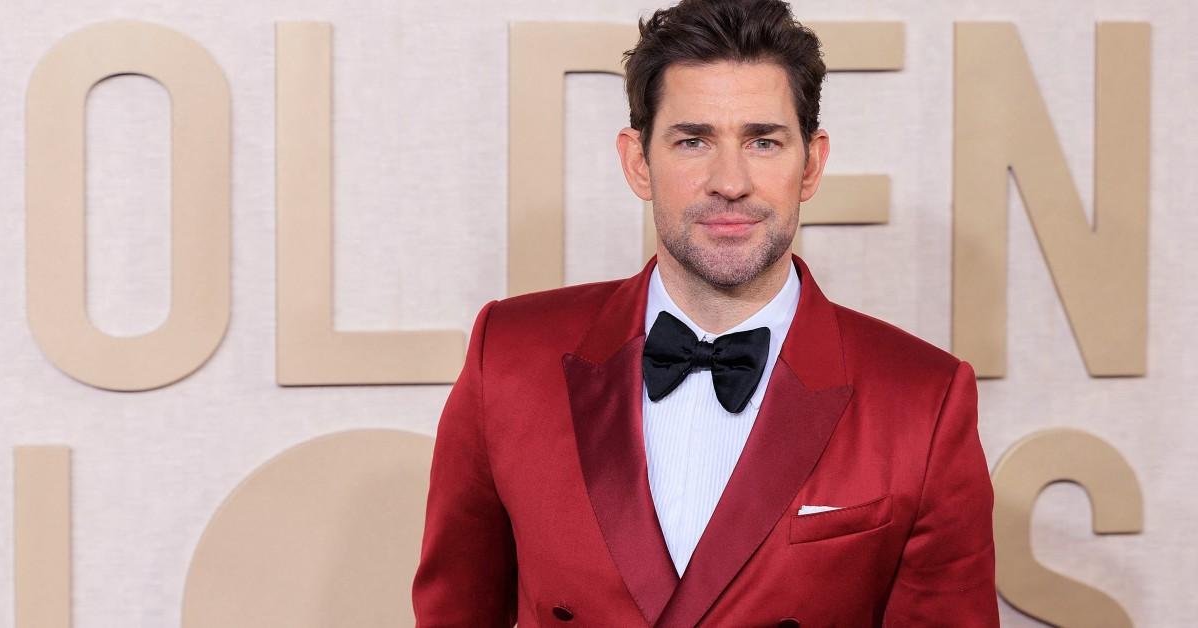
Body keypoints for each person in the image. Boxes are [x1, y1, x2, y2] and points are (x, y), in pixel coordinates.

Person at [412, 0, 998, 625]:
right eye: (693, 141)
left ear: (812, 163)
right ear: (638, 162)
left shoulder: (922, 400)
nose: (730, 181)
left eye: (763, 141)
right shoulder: (507, 356)